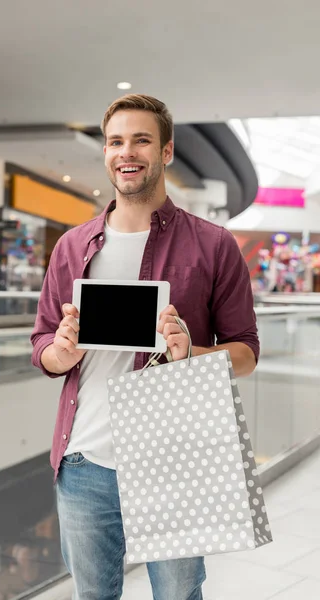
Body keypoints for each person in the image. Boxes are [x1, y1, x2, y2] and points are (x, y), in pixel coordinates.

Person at [31, 94, 260, 600]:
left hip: (173, 460)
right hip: (84, 461)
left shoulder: (214, 244)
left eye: (141, 140)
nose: (126, 152)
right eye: (115, 141)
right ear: (107, 152)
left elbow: (245, 351)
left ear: (167, 151)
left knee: (178, 595)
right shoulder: (72, 246)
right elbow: (42, 341)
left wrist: (191, 353)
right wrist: (60, 352)